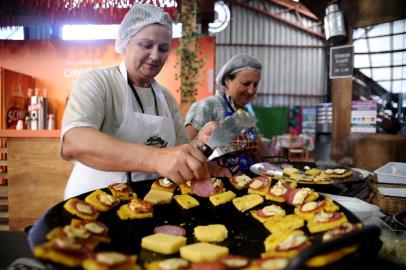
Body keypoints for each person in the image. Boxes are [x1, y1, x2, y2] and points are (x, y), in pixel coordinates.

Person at [61, 3, 227, 199]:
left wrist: (202, 143)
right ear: (125, 42)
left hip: (145, 206)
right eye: (146, 45)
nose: (155, 56)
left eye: (163, 48)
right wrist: (156, 159)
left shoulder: (165, 98)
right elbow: (74, 142)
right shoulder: (99, 82)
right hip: (93, 203)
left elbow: (180, 149)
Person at [185, 53, 271, 174]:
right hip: (217, 184)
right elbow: (184, 147)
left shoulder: (245, 115)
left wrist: (277, 167)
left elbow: (259, 149)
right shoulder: (208, 106)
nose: (251, 90)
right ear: (227, 81)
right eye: (246, 83)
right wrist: (213, 169)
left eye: (255, 85)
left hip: (248, 184)